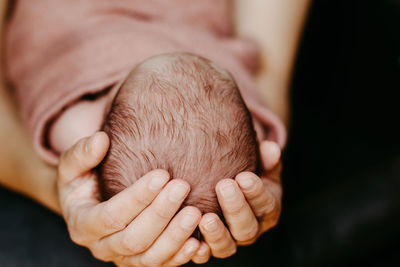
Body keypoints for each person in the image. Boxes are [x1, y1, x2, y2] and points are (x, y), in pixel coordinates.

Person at [0, 0, 311, 265]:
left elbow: (78, 153)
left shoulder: (84, 132)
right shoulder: (82, 127)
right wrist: (261, 117)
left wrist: (61, 185)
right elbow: (258, 85)